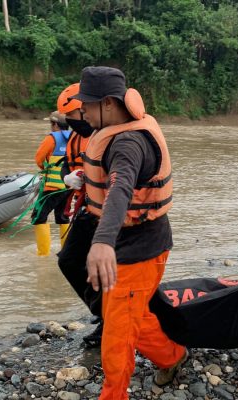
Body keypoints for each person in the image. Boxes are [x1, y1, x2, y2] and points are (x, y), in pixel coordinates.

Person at [69, 66, 187, 399]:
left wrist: (102, 242)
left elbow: (120, 189)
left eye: (87, 106)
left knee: (116, 340)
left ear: (108, 103)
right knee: (128, 315)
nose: (83, 112)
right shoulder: (115, 131)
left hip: (140, 249)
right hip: (132, 243)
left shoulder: (128, 143)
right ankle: (174, 356)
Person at [53, 83, 104, 348]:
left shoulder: (109, 136)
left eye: (73, 118)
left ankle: (109, 319)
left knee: (104, 268)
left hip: (107, 215)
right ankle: (101, 309)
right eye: (68, 121)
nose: (72, 124)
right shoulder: (74, 137)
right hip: (86, 210)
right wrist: (68, 179)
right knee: (69, 261)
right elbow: (64, 167)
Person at [32, 111, 71, 256]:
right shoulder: (74, 138)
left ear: (55, 124)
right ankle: (66, 252)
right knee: (62, 217)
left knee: (38, 216)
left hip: (52, 187)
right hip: (68, 187)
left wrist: (46, 169)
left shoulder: (51, 139)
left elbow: (39, 159)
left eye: (51, 124)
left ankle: (43, 255)